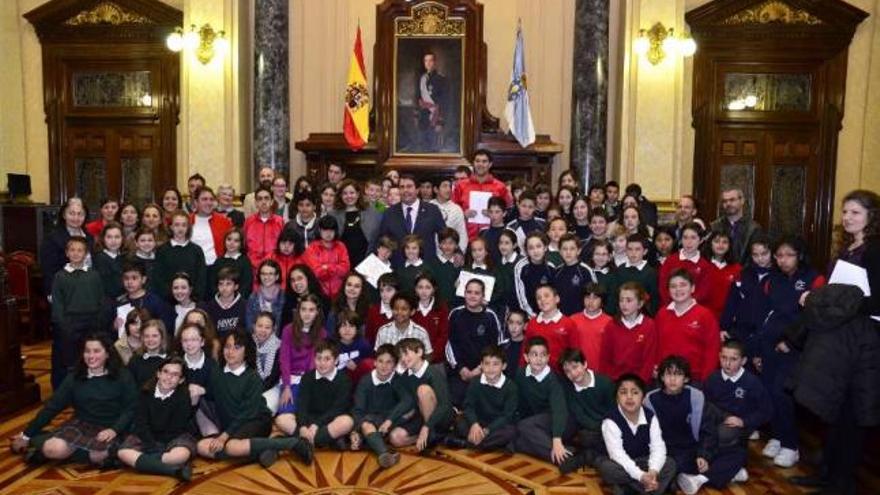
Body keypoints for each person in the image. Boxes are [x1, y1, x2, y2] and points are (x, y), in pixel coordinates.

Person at [12, 335, 136, 467]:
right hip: (82, 425)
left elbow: (131, 408)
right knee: (52, 449)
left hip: (111, 427)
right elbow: (53, 406)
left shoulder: (123, 375)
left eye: (96, 351)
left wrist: (114, 429)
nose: (91, 356)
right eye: (87, 351)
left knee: (99, 454)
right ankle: (41, 444)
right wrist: (26, 435)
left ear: (107, 354)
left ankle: (45, 449)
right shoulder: (75, 376)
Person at [197, 329, 313, 468]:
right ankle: (267, 448)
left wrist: (224, 436)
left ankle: (293, 443)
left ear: (246, 351)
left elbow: (247, 413)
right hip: (233, 427)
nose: (230, 351)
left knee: (232, 446)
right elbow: (212, 395)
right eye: (227, 346)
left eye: (237, 347)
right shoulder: (217, 373)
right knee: (201, 446)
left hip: (255, 421)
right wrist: (200, 390)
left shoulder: (252, 377)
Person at [755, 236, 824, 468]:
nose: (783, 260)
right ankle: (777, 435)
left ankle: (790, 445)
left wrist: (791, 341)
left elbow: (813, 317)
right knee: (768, 391)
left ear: (800, 255)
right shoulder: (771, 279)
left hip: (794, 347)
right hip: (768, 343)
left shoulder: (813, 279)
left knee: (781, 392)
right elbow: (764, 312)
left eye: (789, 255)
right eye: (779, 256)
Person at [645, 356, 747, 494]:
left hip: (693, 449)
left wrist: (703, 455)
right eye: (669, 374)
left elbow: (708, 430)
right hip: (667, 453)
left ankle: (699, 478)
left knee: (739, 453)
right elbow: (646, 436)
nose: (673, 379)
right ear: (662, 377)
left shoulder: (696, 397)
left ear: (686, 379)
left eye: (678, 374)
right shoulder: (651, 400)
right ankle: (719, 475)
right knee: (672, 467)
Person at [703, 339, 772, 484]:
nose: (727, 363)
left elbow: (766, 411)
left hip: (739, 422)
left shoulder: (752, 383)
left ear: (743, 361)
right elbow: (706, 404)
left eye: (733, 359)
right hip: (717, 417)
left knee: (723, 434)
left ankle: (720, 467)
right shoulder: (713, 378)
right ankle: (728, 468)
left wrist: (744, 421)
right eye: (724, 358)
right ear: (719, 356)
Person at [117, 356, 196, 481]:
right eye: (165, 372)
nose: (168, 377)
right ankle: (174, 471)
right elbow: (141, 422)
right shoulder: (145, 391)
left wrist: (155, 449)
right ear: (158, 373)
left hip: (174, 436)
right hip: (146, 435)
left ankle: (145, 462)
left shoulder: (183, 396)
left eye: (175, 374)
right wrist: (151, 445)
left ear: (181, 380)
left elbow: (177, 427)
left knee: (181, 455)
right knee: (123, 453)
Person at [597, 374, 676, 495]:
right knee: (606, 469)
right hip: (620, 464)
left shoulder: (650, 417)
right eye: (623, 392)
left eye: (635, 392)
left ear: (643, 398)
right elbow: (617, 454)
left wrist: (653, 471)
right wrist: (641, 476)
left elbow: (658, 447)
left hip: (644, 460)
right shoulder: (610, 421)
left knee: (670, 464)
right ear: (617, 398)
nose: (629, 397)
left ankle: (628, 488)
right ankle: (651, 489)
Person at [50, 236, 104, 388]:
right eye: (72, 250)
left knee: (91, 358)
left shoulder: (94, 275)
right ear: (67, 253)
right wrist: (63, 325)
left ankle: (92, 388)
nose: (76, 253)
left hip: (91, 323)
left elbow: (100, 300)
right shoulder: (60, 276)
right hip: (70, 324)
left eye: (80, 250)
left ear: (86, 253)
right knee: (71, 362)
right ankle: (72, 391)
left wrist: (98, 321)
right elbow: (57, 304)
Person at [444, 345, 518, 452]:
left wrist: (487, 430)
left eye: (496, 364)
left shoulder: (511, 387)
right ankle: (487, 444)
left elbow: (507, 416)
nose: (491, 368)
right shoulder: (475, 382)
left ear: (504, 366)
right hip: (478, 423)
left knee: (511, 432)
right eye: (487, 364)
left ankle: (468, 443)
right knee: (460, 423)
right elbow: (468, 406)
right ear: (481, 365)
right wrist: (474, 424)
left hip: (496, 426)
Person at [445, 279, 505, 407]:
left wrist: (481, 368)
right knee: (455, 404)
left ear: (483, 296)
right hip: (459, 372)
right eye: (469, 292)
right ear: (464, 293)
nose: (472, 296)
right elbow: (449, 344)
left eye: (477, 293)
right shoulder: (455, 314)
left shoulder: (491, 316)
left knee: (482, 405)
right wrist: (460, 368)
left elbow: (497, 347)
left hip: (485, 371)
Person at [655, 269, 721, 385]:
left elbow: (712, 350)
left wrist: (706, 380)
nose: (678, 290)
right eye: (673, 286)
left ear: (692, 288)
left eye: (683, 285)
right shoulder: (662, 314)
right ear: (668, 290)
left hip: (695, 380)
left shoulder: (705, 315)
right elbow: (656, 345)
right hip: (666, 378)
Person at [513, 336, 570, 466]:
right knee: (516, 437)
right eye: (534, 355)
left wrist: (556, 439)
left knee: (525, 427)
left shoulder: (553, 380)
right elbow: (517, 401)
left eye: (543, 355)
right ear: (526, 358)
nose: (539, 359)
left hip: (559, 421)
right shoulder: (521, 374)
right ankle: (563, 451)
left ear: (548, 357)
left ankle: (562, 458)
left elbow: (559, 410)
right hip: (536, 420)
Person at [558, 348, 616, 474]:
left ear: (584, 364)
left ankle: (587, 456)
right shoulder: (568, 387)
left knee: (598, 438)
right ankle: (590, 455)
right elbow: (578, 414)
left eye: (575, 367)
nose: (573, 373)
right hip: (588, 429)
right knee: (584, 436)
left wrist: (601, 428)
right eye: (567, 371)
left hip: (607, 427)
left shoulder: (605, 383)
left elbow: (614, 414)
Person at [389, 338, 452, 452]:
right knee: (395, 438)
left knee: (423, 390)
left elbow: (444, 405)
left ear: (419, 352)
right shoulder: (405, 376)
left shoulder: (433, 373)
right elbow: (409, 403)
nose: (403, 358)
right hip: (420, 416)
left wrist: (427, 426)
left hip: (440, 417)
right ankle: (428, 438)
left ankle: (431, 433)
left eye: (406, 353)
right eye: (401, 356)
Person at [350, 343, 407, 468]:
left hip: (391, 421)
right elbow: (358, 410)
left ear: (395, 365)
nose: (384, 366)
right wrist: (355, 430)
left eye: (389, 362)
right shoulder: (365, 381)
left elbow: (406, 405)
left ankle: (371, 441)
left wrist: (391, 421)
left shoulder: (399, 381)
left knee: (396, 436)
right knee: (365, 425)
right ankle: (385, 454)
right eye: (380, 361)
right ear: (374, 363)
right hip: (370, 420)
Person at [294, 341, 354, 449]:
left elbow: (338, 409)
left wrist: (316, 425)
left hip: (330, 421)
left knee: (347, 422)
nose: (322, 363)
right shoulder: (307, 377)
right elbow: (302, 404)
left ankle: (299, 443)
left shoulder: (344, 380)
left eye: (327, 359)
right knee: (282, 419)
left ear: (336, 361)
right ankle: (325, 440)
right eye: (319, 358)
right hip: (310, 419)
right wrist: (302, 426)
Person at [378, 174, 447, 266]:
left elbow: (445, 235)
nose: (405, 190)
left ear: (417, 190)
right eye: (402, 187)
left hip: (426, 267)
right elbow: (382, 239)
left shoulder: (432, 210)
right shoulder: (389, 213)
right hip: (398, 267)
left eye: (409, 186)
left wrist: (456, 252)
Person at [599, 282, 658, 382]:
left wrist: (638, 384)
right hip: (615, 381)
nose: (624, 304)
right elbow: (604, 359)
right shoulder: (611, 326)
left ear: (640, 303)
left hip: (640, 382)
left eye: (629, 300)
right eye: (621, 300)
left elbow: (649, 360)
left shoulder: (649, 325)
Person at [720, 235, 773, 347]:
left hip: (765, 334)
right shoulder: (743, 274)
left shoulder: (778, 276)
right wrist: (724, 327)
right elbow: (731, 302)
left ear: (772, 253)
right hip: (741, 332)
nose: (760, 258)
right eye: (755, 255)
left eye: (764, 254)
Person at [453, 149, 514, 239]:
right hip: (465, 236)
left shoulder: (500, 187)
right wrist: (463, 214)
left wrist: (494, 215)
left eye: (484, 161)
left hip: (493, 236)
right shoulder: (461, 186)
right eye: (477, 161)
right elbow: (453, 209)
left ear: (490, 164)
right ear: (473, 163)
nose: (480, 164)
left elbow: (508, 211)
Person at [41, 198, 93, 300]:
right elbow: (48, 269)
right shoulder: (53, 238)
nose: (76, 217)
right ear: (64, 215)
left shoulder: (89, 237)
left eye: (80, 214)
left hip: (88, 287)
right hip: (63, 290)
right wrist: (52, 292)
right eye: (71, 213)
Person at [111, 260, 175, 341]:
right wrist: (115, 326)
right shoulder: (119, 302)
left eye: (134, 278)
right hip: (126, 347)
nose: (129, 282)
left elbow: (165, 328)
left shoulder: (155, 302)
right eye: (126, 278)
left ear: (143, 279)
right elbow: (112, 330)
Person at [155, 210, 207, 301]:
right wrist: (170, 296)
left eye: (184, 225)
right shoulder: (162, 250)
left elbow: (201, 278)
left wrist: (193, 298)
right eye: (177, 225)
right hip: (168, 301)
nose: (180, 228)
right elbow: (159, 278)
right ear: (171, 227)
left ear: (188, 228)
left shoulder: (196, 250)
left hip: (192, 301)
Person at [658, 222, 714, 308]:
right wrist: (673, 305)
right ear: (680, 239)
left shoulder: (705, 265)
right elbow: (663, 287)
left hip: (694, 310)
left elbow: (703, 292)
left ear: (701, 240)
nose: (689, 242)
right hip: (670, 308)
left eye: (693, 238)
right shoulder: (670, 261)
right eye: (685, 237)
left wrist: (687, 307)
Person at [330, 179, 382, 267]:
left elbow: (378, 236)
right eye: (345, 193)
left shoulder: (371, 210)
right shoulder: (333, 214)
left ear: (358, 194)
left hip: (367, 260)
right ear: (341, 196)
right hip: (341, 261)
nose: (349, 196)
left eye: (352, 192)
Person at [523, 284, 575, 372]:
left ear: (557, 299)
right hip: (535, 372)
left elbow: (574, 352)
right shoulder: (532, 323)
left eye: (546, 296)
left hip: (560, 374)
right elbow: (525, 349)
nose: (542, 300)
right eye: (539, 298)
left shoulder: (568, 323)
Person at [606, 234, 659, 316]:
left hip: (642, 317)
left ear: (645, 251)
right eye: (630, 249)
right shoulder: (620, 270)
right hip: (621, 316)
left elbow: (654, 300)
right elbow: (614, 296)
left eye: (637, 249)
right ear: (626, 251)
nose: (633, 253)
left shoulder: (651, 272)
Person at [302, 216, 350, 299]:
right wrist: (335, 267)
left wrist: (326, 267)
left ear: (335, 231)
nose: (328, 233)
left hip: (339, 293)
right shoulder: (312, 248)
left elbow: (345, 269)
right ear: (320, 230)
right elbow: (315, 273)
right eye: (325, 230)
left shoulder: (341, 246)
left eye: (331, 230)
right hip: (318, 293)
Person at [710, 188, 763, 264]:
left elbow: (755, 256)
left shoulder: (754, 229)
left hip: (745, 273)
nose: (728, 204)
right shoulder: (714, 227)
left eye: (732, 200)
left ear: (742, 201)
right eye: (725, 201)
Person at [569, 283, 612, 372]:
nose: (590, 301)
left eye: (595, 298)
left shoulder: (610, 322)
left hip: (601, 371)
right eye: (587, 297)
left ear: (602, 300)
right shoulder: (572, 320)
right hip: (577, 371)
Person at [514, 232, 556, 317]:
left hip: (549, 313)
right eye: (531, 248)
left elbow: (554, 295)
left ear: (545, 247)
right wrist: (533, 316)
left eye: (539, 246)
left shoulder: (551, 267)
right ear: (526, 251)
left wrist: (550, 314)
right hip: (529, 315)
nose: (535, 251)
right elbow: (521, 297)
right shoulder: (521, 267)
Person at [189, 186, 233, 267]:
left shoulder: (224, 222)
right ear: (196, 202)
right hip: (193, 267)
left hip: (216, 267)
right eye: (204, 199)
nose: (208, 202)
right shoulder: (187, 221)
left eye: (211, 199)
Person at [243, 185, 284, 272]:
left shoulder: (280, 222)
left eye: (266, 198)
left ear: (272, 201)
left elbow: (283, 247)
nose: (263, 202)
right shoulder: (249, 222)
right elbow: (244, 246)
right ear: (256, 203)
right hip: (253, 268)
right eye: (260, 199)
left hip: (274, 268)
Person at [414, 51, 449, 152]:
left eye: (430, 60)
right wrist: (416, 115)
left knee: (434, 147)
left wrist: (440, 122)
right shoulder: (421, 79)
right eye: (426, 61)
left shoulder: (441, 79)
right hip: (423, 117)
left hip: (435, 117)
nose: (428, 63)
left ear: (435, 63)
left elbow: (444, 101)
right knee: (422, 146)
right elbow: (417, 98)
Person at [411, 274, 449, 365]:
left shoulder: (442, 309)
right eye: (420, 287)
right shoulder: (410, 308)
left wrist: (430, 357)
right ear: (415, 290)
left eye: (428, 287)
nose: (424, 291)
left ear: (434, 289)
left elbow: (443, 336)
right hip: (413, 359)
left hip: (436, 360)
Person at [201, 267, 247, 340]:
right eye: (221, 284)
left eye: (228, 284)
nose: (224, 288)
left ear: (236, 286)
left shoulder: (245, 306)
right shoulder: (209, 307)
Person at [208, 228, 253, 300]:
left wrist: (235, 299)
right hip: (219, 301)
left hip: (238, 302)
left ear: (241, 244)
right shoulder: (218, 261)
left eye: (236, 241)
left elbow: (247, 285)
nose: (232, 243)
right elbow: (212, 283)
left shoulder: (245, 261)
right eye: (229, 239)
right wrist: (219, 298)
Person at [245, 259, 285, 335]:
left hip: (279, 340)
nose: (266, 277)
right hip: (256, 340)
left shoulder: (284, 296)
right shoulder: (253, 297)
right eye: (263, 274)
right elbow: (249, 324)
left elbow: (285, 325)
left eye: (270, 274)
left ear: (277, 276)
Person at [431, 178, 469, 253]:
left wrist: (460, 253)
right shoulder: (427, 207)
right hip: (431, 254)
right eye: (445, 186)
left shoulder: (456, 209)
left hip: (451, 254)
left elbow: (462, 234)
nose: (448, 190)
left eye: (450, 187)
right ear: (436, 189)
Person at [127, 319, 169, 387]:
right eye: (146, 336)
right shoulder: (135, 360)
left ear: (162, 337)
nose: (150, 339)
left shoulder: (170, 360)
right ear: (142, 338)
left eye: (154, 336)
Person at [93, 222, 125, 300]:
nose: (113, 241)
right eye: (109, 237)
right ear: (103, 239)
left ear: (122, 238)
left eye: (117, 237)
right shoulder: (100, 259)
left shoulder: (124, 257)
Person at [251, 312, 282, 391]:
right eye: (260, 326)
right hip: (253, 384)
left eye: (267, 327)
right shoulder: (249, 343)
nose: (263, 330)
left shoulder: (279, 347)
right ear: (254, 326)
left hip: (273, 386)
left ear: (273, 329)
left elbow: (273, 378)